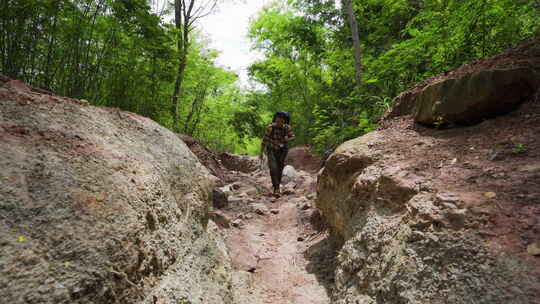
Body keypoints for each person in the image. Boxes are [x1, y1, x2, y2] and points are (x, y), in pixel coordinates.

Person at [260, 111, 295, 195]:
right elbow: (264, 140)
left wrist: (288, 139)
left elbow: (293, 136)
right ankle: (276, 188)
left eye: (282, 121)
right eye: (277, 121)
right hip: (271, 148)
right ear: (275, 120)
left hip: (282, 150)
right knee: (273, 167)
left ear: (285, 122)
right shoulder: (270, 128)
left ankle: (277, 185)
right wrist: (261, 152)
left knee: (280, 168)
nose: (279, 123)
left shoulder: (287, 128)